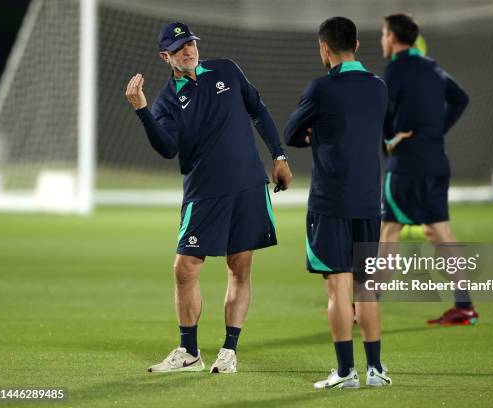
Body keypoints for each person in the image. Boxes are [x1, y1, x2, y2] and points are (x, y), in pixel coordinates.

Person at [124, 21, 292, 374]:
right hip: (204, 194)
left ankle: (229, 351)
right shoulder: (168, 99)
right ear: (164, 56)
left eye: (191, 44)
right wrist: (141, 110)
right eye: (180, 47)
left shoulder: (226, 69)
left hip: (247, 185)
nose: (189, 50)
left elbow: (257, 108)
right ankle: (189, 352)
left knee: (239, 268)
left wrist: (279, 156)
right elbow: (167, 148)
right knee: (184, 269)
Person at [285, 17, 391, 389]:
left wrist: (315, 135)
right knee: (367, 287)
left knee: (338, 287)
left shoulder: (321, 89)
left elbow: (290, 133)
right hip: (367, 202)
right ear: (357, 46)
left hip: (330, 202)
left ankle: (346, 372)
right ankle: (376, 369)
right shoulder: (379, 88)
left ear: (324, 49)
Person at [379, 13, 478, 325]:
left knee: (388, 232)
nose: (382, 40)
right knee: (440, 232)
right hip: (436, 161)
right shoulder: (432, 66)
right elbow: (460, 98)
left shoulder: (394, 70)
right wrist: (435, 131)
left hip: (407, 165)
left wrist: (389, 139)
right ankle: (464, 306)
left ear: (393, 37)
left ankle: (365, 305)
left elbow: (380, 111)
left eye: (383, 34)